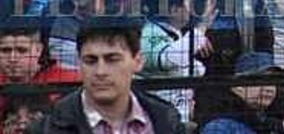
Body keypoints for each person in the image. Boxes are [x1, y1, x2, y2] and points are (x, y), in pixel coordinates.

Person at [29, 20, 183, 134]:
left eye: (112, 59)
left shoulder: (165, 121)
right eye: (90, 61)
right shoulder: (47, 128)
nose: (100, 71)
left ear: (137, 62)